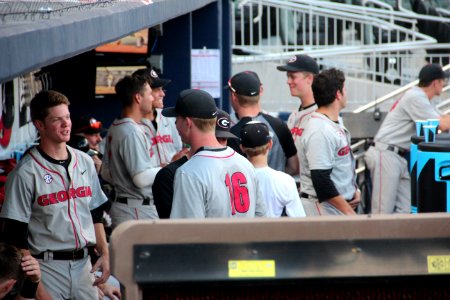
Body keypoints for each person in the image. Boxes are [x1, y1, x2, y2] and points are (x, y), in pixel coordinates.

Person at [0, 90, 110, 299]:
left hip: (83, 265)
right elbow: (14, 234)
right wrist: (37, 286)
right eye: (57, 120)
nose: (66, 124)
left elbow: (95, 212)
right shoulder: (25, 172)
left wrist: (104, 251)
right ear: (40, 125)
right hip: (47, 265)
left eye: (67, 117)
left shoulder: (85, 161)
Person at [162, 89, 267, 218]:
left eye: (177, 119)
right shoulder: (245, 164)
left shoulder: (188, 172)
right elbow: (261, 218)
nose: (176, 124)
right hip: (247, 237)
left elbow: (188, 232)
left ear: (188, 123)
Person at [365, 63, 450, 214]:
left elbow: (443, 120)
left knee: (405, 209)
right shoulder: (415, 96)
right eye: (443, 80)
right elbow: (442, 124)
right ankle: (373, 238)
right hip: (386, 153)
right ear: (435, 82)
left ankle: (395, 238)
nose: (444, 84)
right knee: (381, 212)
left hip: (398, 156)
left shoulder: (420, 96)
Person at [153, 109, 238, 218]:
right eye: (217, 138)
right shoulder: (171, 174)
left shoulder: (238, 165)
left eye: (224, 139)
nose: (220, 144)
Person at [101, 75, 161, 227]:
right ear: (138, 98)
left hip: (127, 206)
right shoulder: (131, 131)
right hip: (136, 210)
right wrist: (166, 167)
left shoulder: (116, 126)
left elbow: (106, 173)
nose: (152, 97)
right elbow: (140, 179)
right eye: (149, 93)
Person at [300, 69, 360, 216]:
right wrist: (348, 211)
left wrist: (354, 191)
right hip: (322, 209)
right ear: (338, 94)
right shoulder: (319, 130)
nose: (347, 93)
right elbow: (321, 180)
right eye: (344, 89)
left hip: (336, 206)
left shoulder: (333, 121)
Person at [226, 71, 299, 176]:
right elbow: (294, 167)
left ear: (233, 96)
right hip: (277, 189)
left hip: (247, 191)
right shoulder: (279, 125)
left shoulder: (232, 133)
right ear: (260, 91)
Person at [240, 121, 306, 218]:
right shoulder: (285, 181)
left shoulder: (233, 178)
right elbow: (298, 218)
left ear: (242, 147)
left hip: (242, 231)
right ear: (270, 144)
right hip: (274, 231)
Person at [133, 68, 186, 166]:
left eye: (162, 89)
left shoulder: (168, 117)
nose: (163, 94)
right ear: (142, 94)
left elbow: (180, 149)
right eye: (157, 90)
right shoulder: (130, 126)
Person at [277, 54, 320, 170]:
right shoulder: (293, 116)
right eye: (287, 76)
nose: (288, 81)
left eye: (293, 76)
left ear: (309, 79)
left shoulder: (321, 116)